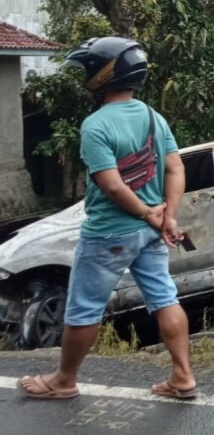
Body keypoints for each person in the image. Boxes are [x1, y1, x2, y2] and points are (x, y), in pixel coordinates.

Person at [20, 37, 197, 400]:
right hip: (150, 231)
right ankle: (182, 377)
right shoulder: (152, 116)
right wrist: (167, 217)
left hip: (109, 233)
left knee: (84, 307)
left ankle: (63, 381)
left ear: (102, 75)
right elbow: (175, 168)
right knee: (165, 298)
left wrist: (149, 212)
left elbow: (112, 186)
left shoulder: (96, 125)